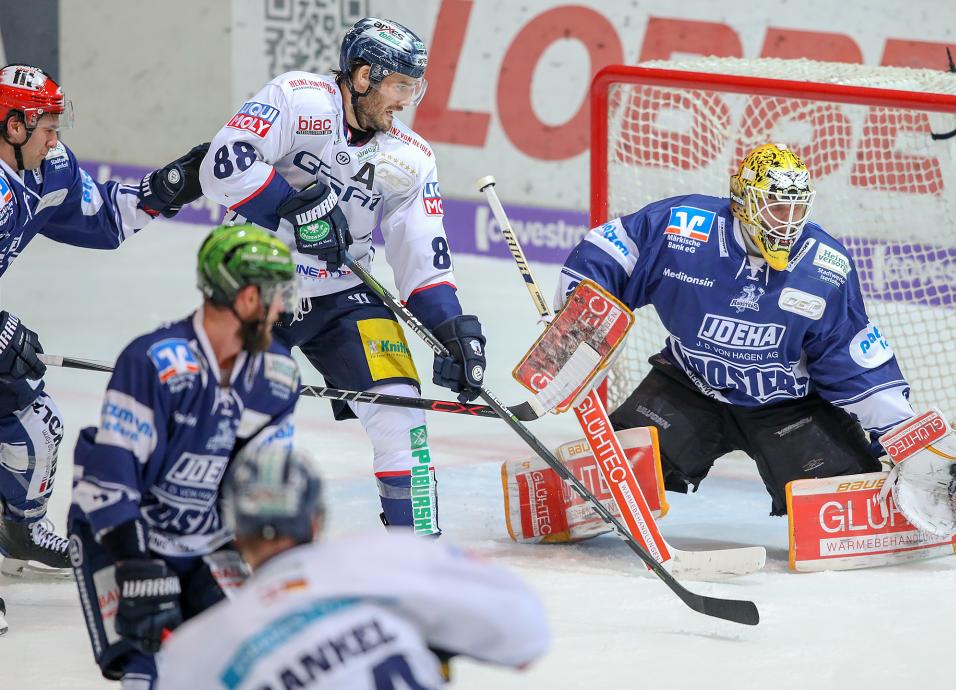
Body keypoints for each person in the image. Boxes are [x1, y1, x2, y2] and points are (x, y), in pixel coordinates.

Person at [199, 17, 486, 536]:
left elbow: (421, 254)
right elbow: (223, 162)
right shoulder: (297, 98)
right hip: (261, 284)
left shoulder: (411, 158)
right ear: (361, 77)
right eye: (399, 85)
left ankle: (415, 555)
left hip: (345, 294)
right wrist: (294, 207)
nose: (406, 100)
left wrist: (451, 329)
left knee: (404, 415)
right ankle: (239, 551)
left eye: (413, 87)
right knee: (260, 416)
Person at [556, 143, 919, 518]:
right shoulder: (683, 228)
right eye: (776, 206)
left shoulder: (824, 267)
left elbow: (853, 358)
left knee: (848, 500)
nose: (788, 221)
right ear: (743, 202)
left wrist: (904, 436)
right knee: (607, 483)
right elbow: (611, 251)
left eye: (797, 208)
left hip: (788, 407)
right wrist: (573, 316)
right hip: (689, 387)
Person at [68, 225, 300, 690]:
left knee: (245, 664)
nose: (282, 310)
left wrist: (280, 563)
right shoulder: (154, 360)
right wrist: (135, 563)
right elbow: (110, 476)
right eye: (276, 296)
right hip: (120, 534)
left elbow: (260, 485)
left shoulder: (276, 375)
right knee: (145, 670)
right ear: (248, 298)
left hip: (206, 541)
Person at [0, 64, 207, 579]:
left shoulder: (49, 170)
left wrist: (166, 190)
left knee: (35, 425)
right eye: (46, 126)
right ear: (13, 125)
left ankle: (17, 531)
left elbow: (105, 218)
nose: (55, 138)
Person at [156, 444, 551, 690]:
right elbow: (526, 632)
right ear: (316, 521)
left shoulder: (193, 650)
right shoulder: (385, 557)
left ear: (237, 532)